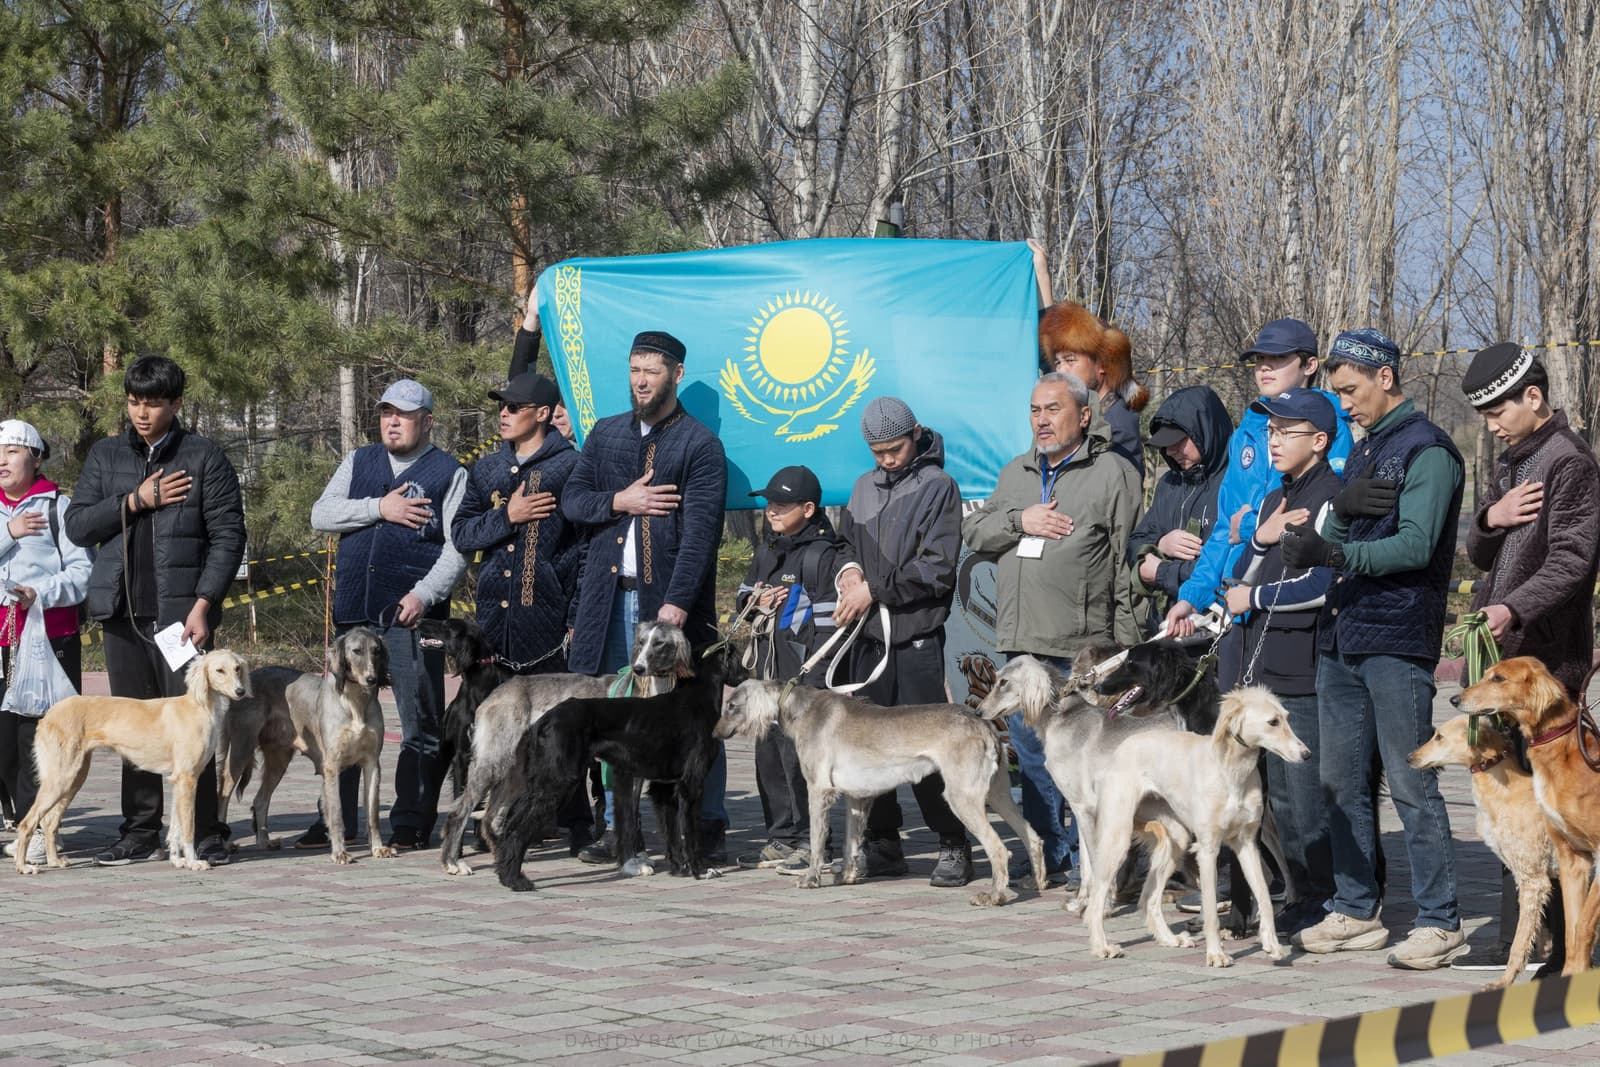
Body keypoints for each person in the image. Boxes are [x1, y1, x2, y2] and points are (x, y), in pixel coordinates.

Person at [1280, 327, 1467, 969]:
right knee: (1340, 783)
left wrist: (1333, 552)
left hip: (1396, 638)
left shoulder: (1428, 450)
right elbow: (1334, 527)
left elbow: (1414, 546)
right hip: (1342, 633)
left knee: (1412, 782)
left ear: (1386, 378)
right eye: (1336, 392)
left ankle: (1440, 920)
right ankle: (1356, 908)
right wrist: (1334, 518)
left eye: (1351, 390)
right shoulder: (1362, 450)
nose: (1344, 404)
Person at [63, 355, 246, 867]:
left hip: (182, 621)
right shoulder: (105, 455)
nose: (142, 413)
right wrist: (134, 500)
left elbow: (229, 536)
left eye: (154, 403)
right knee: (134, 728)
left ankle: (204, 832)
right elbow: (77, 525)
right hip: (121, 613)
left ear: (176, 403)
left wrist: (204, 604)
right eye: (134, 402)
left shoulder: (204, 457)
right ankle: (140, 831)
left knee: (197, 726)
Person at [1452, 342, 1600, 974]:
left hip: (1545, 673)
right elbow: (1481, 552)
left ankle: (1566, 953)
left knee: (1564, 816)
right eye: (1483, 413)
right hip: (1503, 666)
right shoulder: (1511, 462)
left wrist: (1512, 608)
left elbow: (1573, 560)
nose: (1491, 424)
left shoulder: (1570, 462)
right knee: (1519, 805)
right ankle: (1530, 943)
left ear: (1532, 397)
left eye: (1497, 410)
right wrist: (1491, 515)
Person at [962, 373, 1142, 887]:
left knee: (1090, 758)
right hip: (1024, 646)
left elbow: (1128, 560)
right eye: (1035, 410)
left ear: (1084, 416)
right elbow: (975, 531)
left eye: (1053, 409)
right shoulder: (1016, 472)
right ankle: (1049, 851)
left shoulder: (1112, 473)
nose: (1041, 420)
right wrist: (1021, 520)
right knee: (1033, 754)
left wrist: (1125, 648)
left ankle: (1102, 862)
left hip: (1082, 648)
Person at [562, 330, 729, 864]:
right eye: (634, 370)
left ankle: (704, 827)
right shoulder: (605, 433)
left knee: (693, 716)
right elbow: (573, 501)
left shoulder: (699, 444)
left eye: (651, 371)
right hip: (609, 600)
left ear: (675, 375)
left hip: (669, 607)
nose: (640, 381)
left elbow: (701, 534)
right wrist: (621, 500)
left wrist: (677, 604)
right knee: (617, 715)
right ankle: (620, 830)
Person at [299, 379, 467, 852]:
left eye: (404, 414)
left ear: (427, 421)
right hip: (354, 615)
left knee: (420, 721)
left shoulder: (449, 472)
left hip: (410, 615)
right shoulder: (359, 461)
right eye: (386, 413)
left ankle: (411, 820)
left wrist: (423, 595)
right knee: (340, 717)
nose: (393, 422)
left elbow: (458, 548)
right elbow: (321, 514)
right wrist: (380, 508)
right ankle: (337, 821)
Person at [832, 396, 971, 887]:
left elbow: (937, 568)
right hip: (867, 639)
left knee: (927, 749)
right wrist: (849, 573)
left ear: (915, 434)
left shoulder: (939, 486)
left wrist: (875, 590)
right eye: (878, 453)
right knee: (868, 747)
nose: (888, 460)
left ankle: (953, 841)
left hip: (915, 638)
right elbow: (844, 545)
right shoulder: (861, 488)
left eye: (895, 449)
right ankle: (883, 842)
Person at [1221, 390, 1343, 936]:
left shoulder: (1330, 497)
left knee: (1303, 795)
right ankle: (1298, 893)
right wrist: (1258, 537)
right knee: (1275, 797)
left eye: (1286, 432)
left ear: (1318, 441)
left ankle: (1323, 898)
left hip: (1302, 664)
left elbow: (1322, 584)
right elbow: (1240, 578)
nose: (1273, 441)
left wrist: (1255, 598)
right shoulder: (1275, 497)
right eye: (1270, 432)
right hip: (1260, 664)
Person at [1163, 319, 1352, 642]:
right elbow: (1226, 527)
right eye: (1259, 359)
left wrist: (1251, 527)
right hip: (1233, 602)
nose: (1264, 367)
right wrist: (1191, 597)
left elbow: (1321, 518)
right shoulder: (1244, 434)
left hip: (1288, 604)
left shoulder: (1330, 431)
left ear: (1309, 365)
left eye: (1278, 358)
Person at [733, 465, 852, 874]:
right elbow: (743, 597)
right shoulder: (766, 550)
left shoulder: (823, 555)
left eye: (782, 504)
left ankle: (812, 842)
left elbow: (831, 625)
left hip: (803, 683)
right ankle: (781, 837)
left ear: (808, 509)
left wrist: (814, 683)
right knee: (767, 755)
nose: (771, 510)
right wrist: (756, 601)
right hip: (766, 679)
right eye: (769, 503)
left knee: (799, 760)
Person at [0, 421, 92, 866]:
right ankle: (14, 818)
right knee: (3, 738)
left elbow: (82, 572)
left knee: (38, 738)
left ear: (35, 459)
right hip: (2, 640)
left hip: (48, 639)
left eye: (12, 450)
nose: (2, 460)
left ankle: (37, 829)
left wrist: (40, 593)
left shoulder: (59, 507)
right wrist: (10, 532)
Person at [1128, 386, 1233, 634]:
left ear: (1204, 433)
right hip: (1165, 623)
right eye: (1165, 444)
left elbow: (1224, 564)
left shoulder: (1232, 485)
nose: (1170, 451)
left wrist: (1162, 572)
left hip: (1212, 624)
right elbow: (1135, 542)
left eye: (1178, 442)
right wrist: (1160, 545)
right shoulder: (1169, 484)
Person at [1038, 302, 1148, 476]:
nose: (1061, 370)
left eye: (1070, 360)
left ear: (1102, 364)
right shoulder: (1093, 413)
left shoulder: (1116, 425)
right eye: (1058, 362)